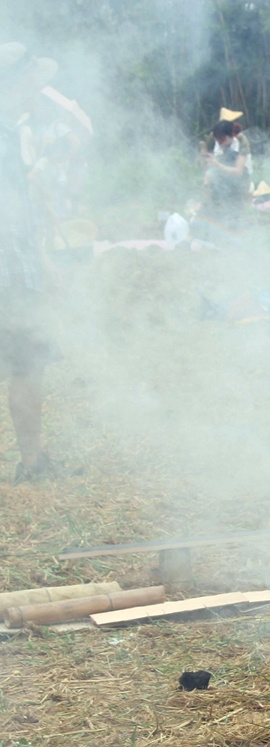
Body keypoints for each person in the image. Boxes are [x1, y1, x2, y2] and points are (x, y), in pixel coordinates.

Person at [0, 43, 75, 483]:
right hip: (11, 274)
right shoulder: (4, 136)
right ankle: (32, 464)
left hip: (19, 267)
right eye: (33, 82)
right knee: (28, 365)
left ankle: (34, 461)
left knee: (27, 364)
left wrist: (43, 259)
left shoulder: (11, 133)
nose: (38, 90)